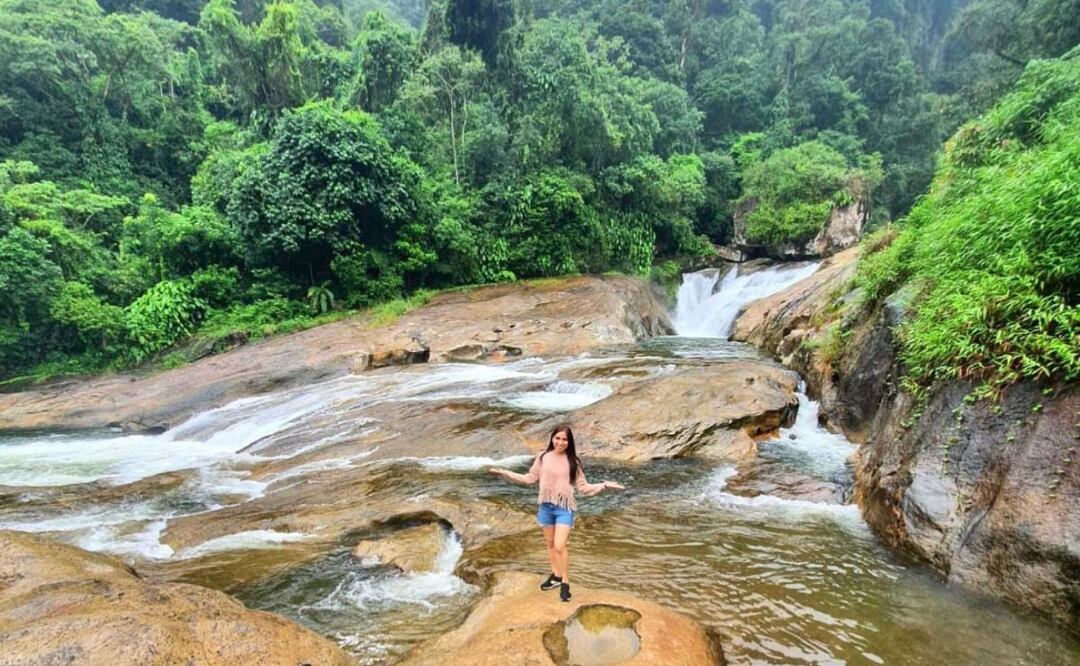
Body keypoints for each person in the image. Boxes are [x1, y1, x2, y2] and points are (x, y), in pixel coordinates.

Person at [488, 425, 625, 602]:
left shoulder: (573, 461)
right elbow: (529, 478)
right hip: (545, 507)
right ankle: (555, 576)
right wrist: (504, 473)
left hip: (564, 508)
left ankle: (565, 583)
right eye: (557, 438)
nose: (560, 442)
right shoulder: (543, 457)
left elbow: (584, 488)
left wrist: (604, 485)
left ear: (569, 442)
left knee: (560, 545)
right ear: (552, 438)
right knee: (550, 543)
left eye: (564, 439)